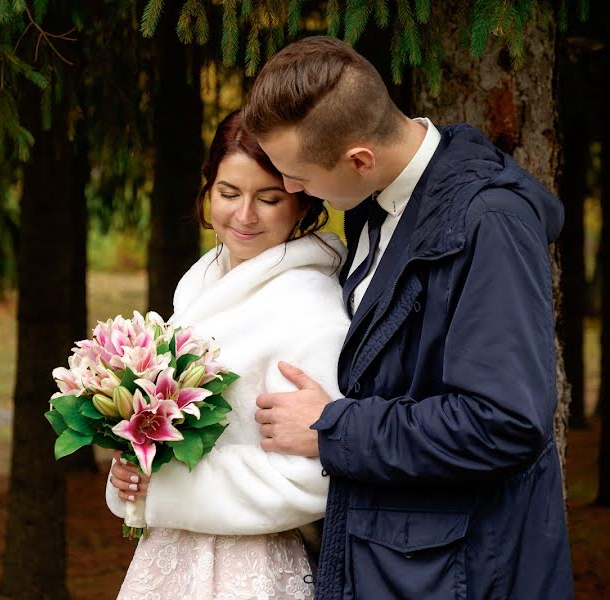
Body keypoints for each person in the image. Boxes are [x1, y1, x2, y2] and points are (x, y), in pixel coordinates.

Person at [243, 36, 573, 599]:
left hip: (465, 575)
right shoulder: (373, 204)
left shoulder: (490, 223)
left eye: (296, 173)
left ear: (359, 159)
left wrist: (332, 427)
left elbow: (503, 422)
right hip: (397, 560)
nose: (291, 188)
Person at [106, 109, 350, 599]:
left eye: (269, 198)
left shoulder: (309, 307)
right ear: (208, 191)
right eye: (229, 193)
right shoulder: (199, 284)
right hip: (172, 553)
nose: (244, 216)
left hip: (251, 564)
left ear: (301, 203)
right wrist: (133, 467)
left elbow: (312, 479)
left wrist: (166, 491)